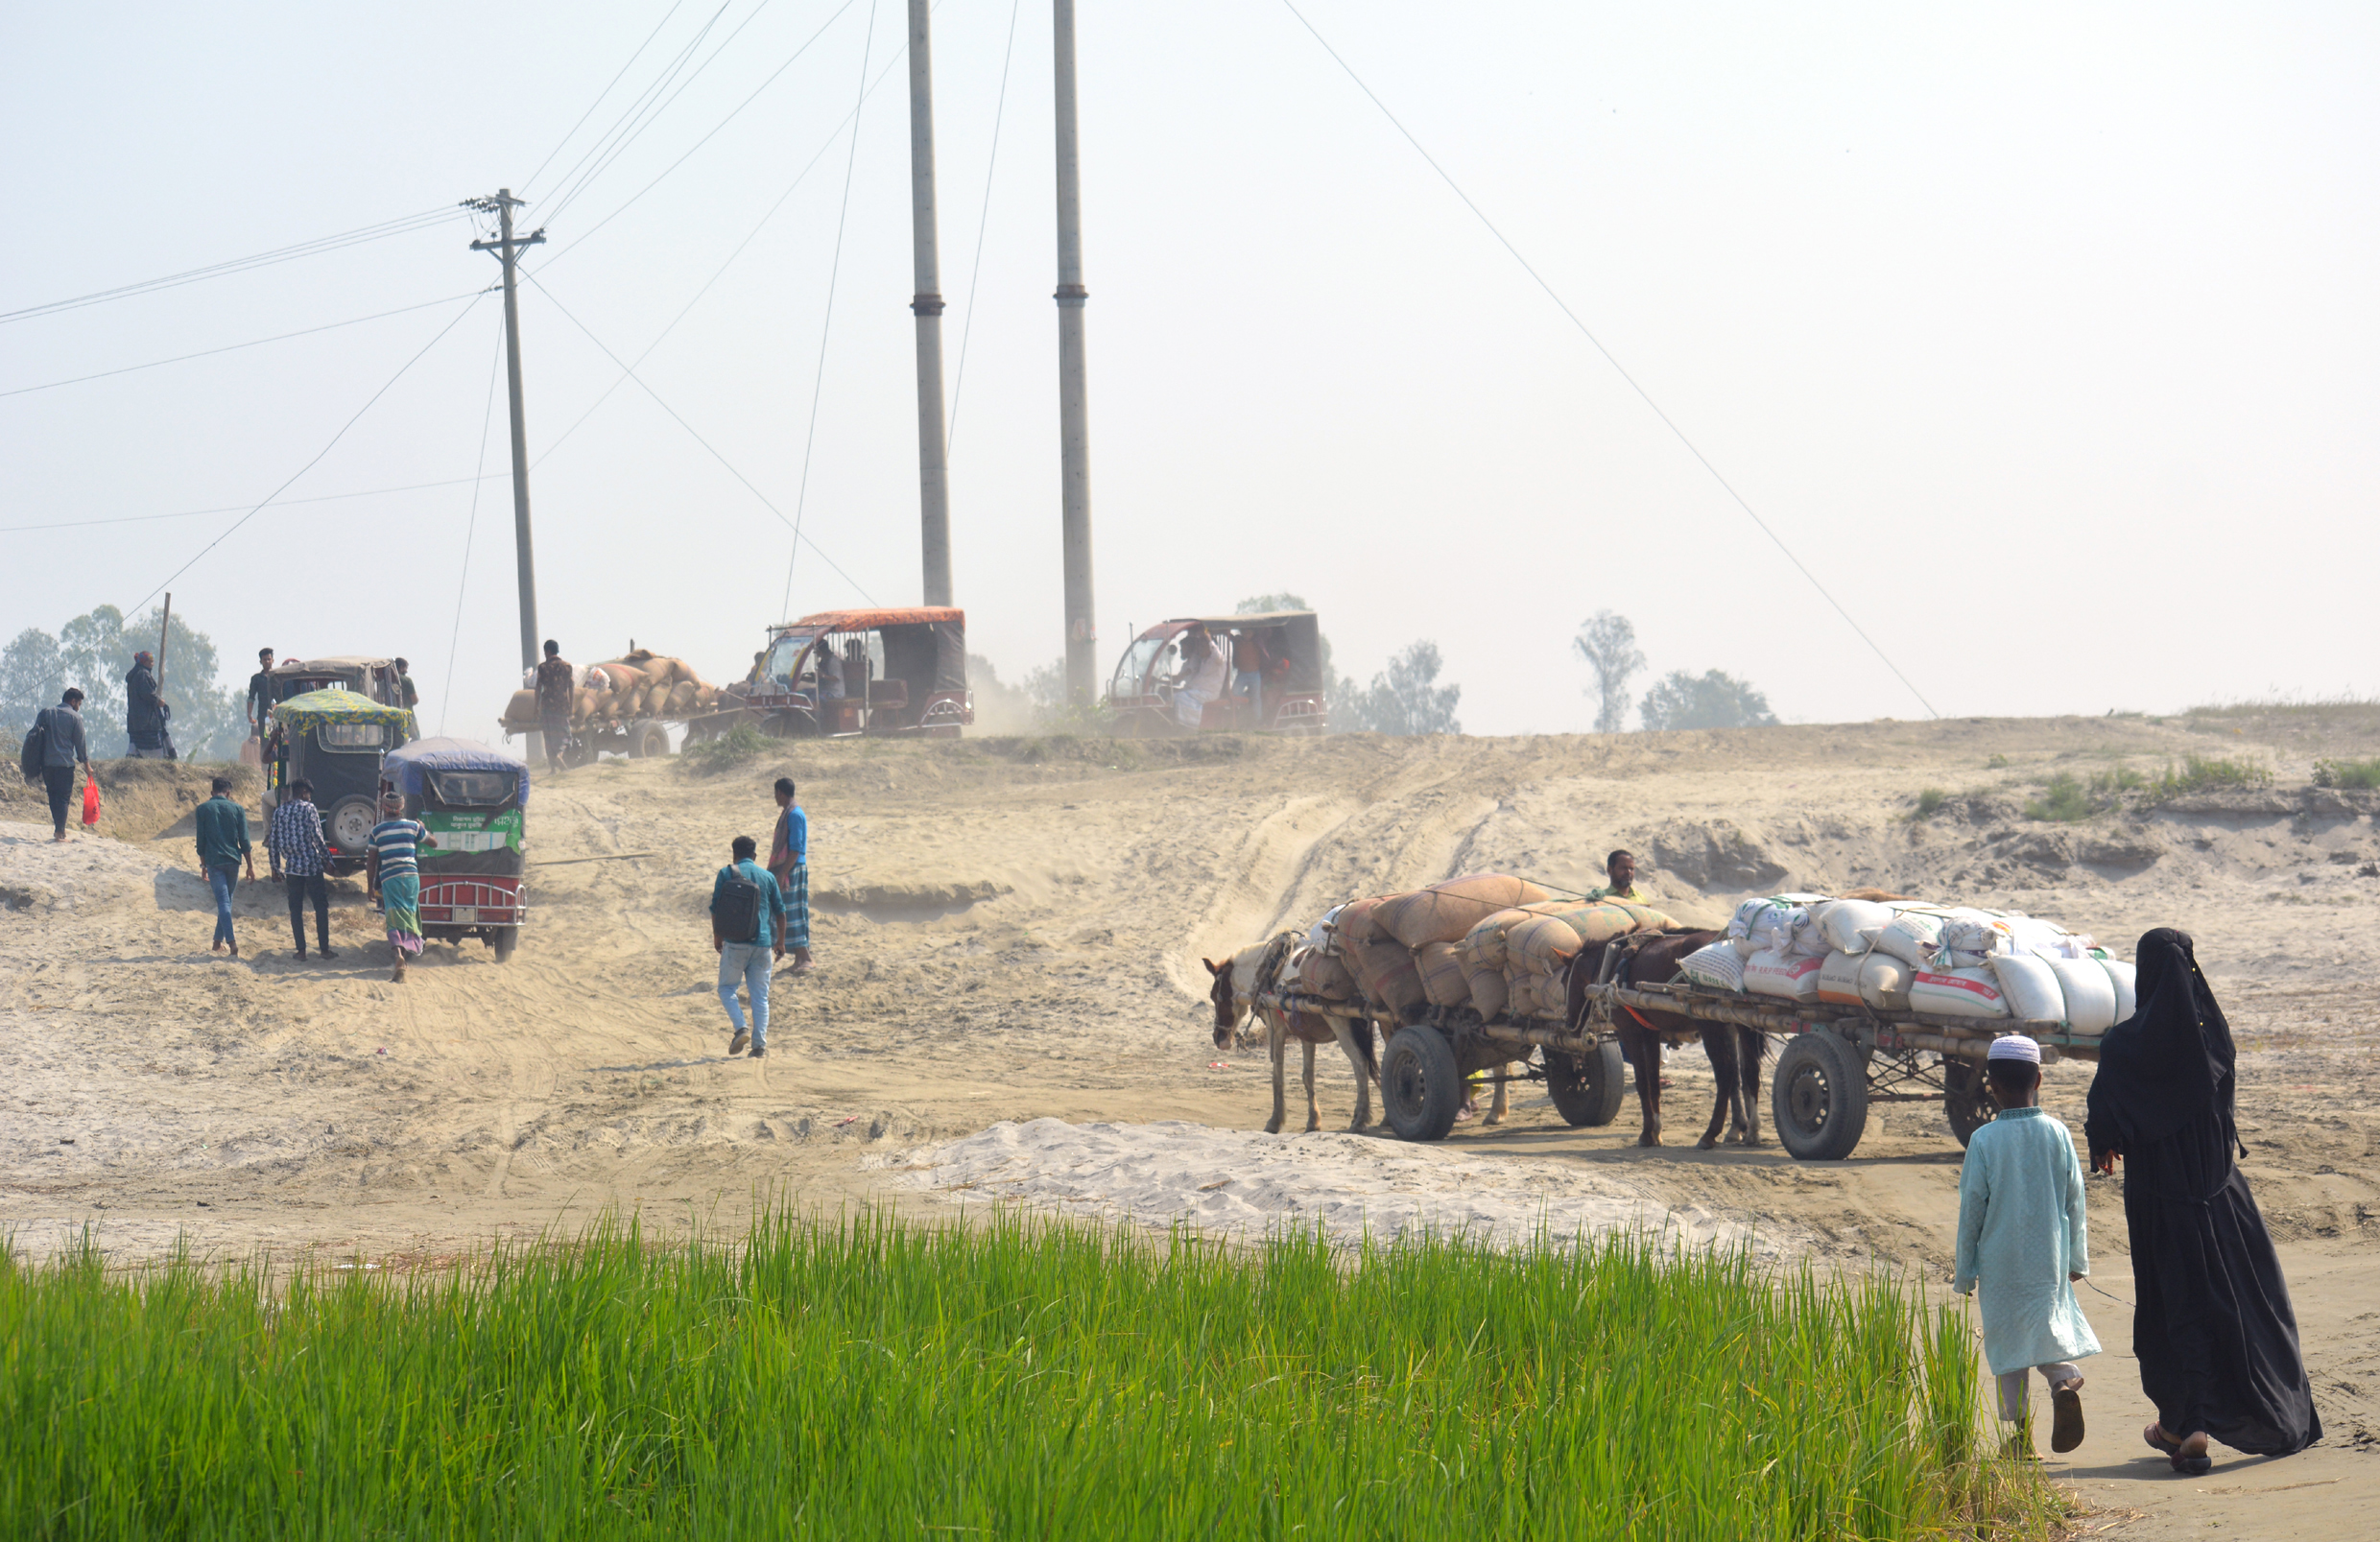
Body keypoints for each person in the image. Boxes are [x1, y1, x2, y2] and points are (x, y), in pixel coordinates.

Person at [2085, 928, 2320, 1474]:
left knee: (2174, 1307)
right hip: (2221, 1201)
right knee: (2240, 1307)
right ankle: (2231, 1419)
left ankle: (2186, 1426)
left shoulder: (2122, 1047)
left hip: (2159, 1204)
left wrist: (2109, 1144)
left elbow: (2106, 1133)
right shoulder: (2214, 1041)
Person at [1954, 1035, 2099, 1460]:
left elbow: (1972, 1209)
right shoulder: (2057, 1133)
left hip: (2000, 1264)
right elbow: (2075, 1200)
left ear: (1992, 1085)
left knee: (2008, 1348)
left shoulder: (1984, 1140)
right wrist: (2077, 1258)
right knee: (2046, 1329)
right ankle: (2063, 1380)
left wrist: (1965, 1271)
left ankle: (2020, 1438)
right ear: (2038, 1080)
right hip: (2047, 1259)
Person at [711, 834, 787, 1057]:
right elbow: (780, 912)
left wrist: (717, 936)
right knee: (760, 997)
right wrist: (780, 941)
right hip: (763, 944)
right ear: (754, 855)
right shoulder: (768, 877)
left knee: (727, 989)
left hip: (735, 943)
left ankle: (741, 1027)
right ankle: (759, 1046)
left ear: (734, 854)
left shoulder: (726, 874)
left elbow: (715, 909)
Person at [366, 791, 434, 984]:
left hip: (390, 879)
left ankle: (398, 955)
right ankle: (405, 955)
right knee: (409, 914)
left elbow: (371, 862)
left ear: (383, 807)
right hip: (411, 877)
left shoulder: (376, 831)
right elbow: (434, 843)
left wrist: (370, 887)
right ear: (401, 807)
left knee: (393, 918)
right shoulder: (413, 827)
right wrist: (423, 828)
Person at [267, 776, 337, 961]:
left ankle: (301, 951)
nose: (310, 798)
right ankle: (324, 950)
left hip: (291, 868)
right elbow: (317, 837)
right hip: (311, 865)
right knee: (320, 906)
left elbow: (273, 841)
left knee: (295, 909)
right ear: (304, 792)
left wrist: (275, 867)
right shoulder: (309, 809)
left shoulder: (280, 811)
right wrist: (328, 859)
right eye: (309, 794)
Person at [193, 775, 255, 957]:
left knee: (223, 902)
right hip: (233, 860)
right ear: (228, 793)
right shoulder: (237, 809)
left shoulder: (203, 809)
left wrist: (203, 865)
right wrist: (250, 866)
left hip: (214, 861)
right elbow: (245, 840)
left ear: (212, 792)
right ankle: (216, 943)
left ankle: (231, 941)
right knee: (226, 901)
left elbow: (201, 841)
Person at [34, 688, 93, 842]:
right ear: (73, 701)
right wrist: (87, 766)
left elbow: (35, 737)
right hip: (64, 765)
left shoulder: (45, 713)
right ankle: (60, 832)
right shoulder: (76, 718)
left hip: (47, 764)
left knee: (52, 795)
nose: (79, 707)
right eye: (79, 704)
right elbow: (80, 745)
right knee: (63, 798)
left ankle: (58, 828)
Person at [769, 776, 814, 974]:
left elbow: (795, 849)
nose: (775, 797)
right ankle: (799, 959)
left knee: (793, 913)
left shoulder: (794, 814)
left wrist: (782, 873)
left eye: (776, 793)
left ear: (781, 793)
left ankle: (806, 958)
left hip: (793, 869)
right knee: (792, 912)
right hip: (791, 868)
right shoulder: (790, 813)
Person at [1172, 625, 1226, 729]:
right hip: (1198, 691)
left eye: (1202, 647)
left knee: (1180, 697)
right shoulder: (1203, 661)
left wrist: (1209, 639)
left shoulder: (1218, 661)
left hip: (1209, 693)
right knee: (1175, 695)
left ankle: (1188, 726)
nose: (1199, 649)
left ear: (1210, 648)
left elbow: (1217, 655)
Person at [534, 640, 575, 773]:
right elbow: (571, 687)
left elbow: (538, 688)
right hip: (562, 706)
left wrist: (536, 707)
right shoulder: (567, 666)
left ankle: (552, 769)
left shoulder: (543, 668)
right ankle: (560, 754)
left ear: (548, 651)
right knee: (566, 735)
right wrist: (571, 706)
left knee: (549, 737)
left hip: (547, 707)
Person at [125, 651, 172, 760]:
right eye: (150, 662)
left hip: (135, 722)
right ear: (144, 662)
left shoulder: (134, 675)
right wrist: (159, 701)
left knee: (136, 747)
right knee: (154, 750)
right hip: (146, 722)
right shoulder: (143, 674)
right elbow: (147, 694)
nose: (152, 664)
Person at [1587, 849, 1655, 904]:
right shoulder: (1601, 898)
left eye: (1631, 869)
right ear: (1610, 870)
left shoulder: (1641, 899)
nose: (1628, 872)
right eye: (1623, 868)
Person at [1230, 629, 1266, 720]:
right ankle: (1248, 701)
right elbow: (1229, 635)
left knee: (1256, 698)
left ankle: (1258, 720)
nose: (1247, 635)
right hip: (1242, 674)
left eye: (1249, 633)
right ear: (1242, 633)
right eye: (1245, 632)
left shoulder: (1257, 641)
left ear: (1253, 633)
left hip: (1255, 674)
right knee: (1235, 693)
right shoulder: (1238, 641)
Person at [246, 647, 277, 741]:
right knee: (266, 740)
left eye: (269, 659)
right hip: (264, 715)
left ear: (272, 660)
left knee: (278, 740)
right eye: (264, 659)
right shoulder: (256, 679)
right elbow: (251, 697)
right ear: (261, 661)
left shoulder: (278, 676)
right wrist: (249, 714)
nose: (267, 661)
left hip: (277, 714)